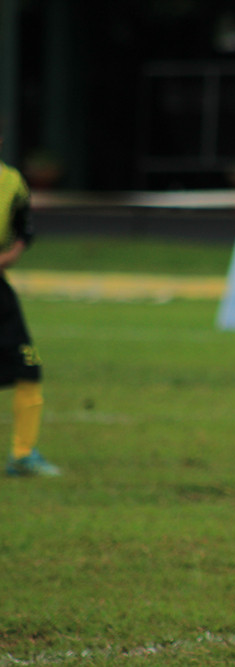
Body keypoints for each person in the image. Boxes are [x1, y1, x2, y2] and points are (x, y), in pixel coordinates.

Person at [0, 130, 58, 477]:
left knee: (28, 367)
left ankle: (22, 454)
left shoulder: (12, 182)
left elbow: (26, 232)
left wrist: (9, 256)